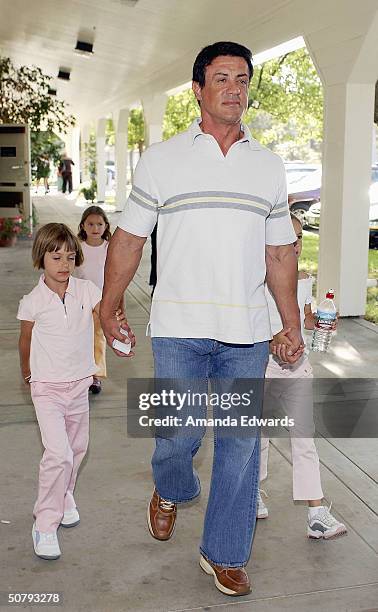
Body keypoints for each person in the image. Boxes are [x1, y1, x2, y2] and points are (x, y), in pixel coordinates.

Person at [100, 41, 304, 597]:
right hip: (179, 328)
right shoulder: (163, 158)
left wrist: (289, 325)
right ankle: (171, 488)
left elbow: (281, 251)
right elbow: (129, 238)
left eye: (243, 79)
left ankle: (224, 554)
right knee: (179, 433)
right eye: (222, 79)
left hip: (246, 334)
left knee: (240, 446)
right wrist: (108, 302)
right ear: (198, 89)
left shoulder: (268, 165)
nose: (234, 89)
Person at [17, 223, 117, 560]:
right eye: (55, 256)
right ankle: (45, 523)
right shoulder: (32, 302)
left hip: (79, 385)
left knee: (77, 448)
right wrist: (29, 376)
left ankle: (65, 495)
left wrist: (120, 331)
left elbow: (107, 315)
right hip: (46, 388)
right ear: (40, 258)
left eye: (70, 257)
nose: (63, 263)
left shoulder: (87, 291)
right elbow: (26, 341)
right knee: (57, 454)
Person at [258, 213, 347, 539]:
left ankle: (316, 513)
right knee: (260, 436)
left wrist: (322, 323)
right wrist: (272, 343)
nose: (294, 245)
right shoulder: (255, 279)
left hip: (298, 368)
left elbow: (305, 318)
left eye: (298, 238)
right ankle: (253, 493)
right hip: (263, 367)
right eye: (287, 238)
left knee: (305, 439)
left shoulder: (305, 278)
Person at [76, 206, 112, 394]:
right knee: (79, 338)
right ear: (83, 226)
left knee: (98, 338)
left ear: (106, 226)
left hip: (101, 302)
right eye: (90, 224)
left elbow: (115, 276)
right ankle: (80, 374)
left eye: (99, 224)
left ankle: (95, 376)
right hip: (79, 301)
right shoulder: (77, 247)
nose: (95, 228)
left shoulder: (110, 248)